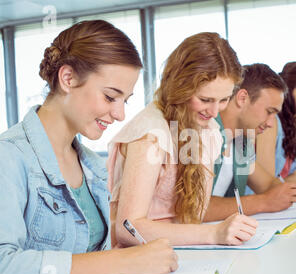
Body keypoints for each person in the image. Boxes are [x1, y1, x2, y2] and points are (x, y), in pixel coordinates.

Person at [0, 20, 178, 274]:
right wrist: (124, 262)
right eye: (110, 97)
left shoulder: (93, 166)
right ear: (68, 78)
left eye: (125, 101)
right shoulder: (6, 157)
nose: (119, 114)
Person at [108, 32, 258, 247]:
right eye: (205, 99)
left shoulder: (210, 131)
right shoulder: (151, 134)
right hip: (137, 260)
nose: (215, 111)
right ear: (181, 88)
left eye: (223, 100)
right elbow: (127, 228)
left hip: (183, 252)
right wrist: (213, 234)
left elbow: (193, 217)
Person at [204, 63, 296, 222]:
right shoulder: (203, 132)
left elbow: (268, 184)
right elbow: (194, 208)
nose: (271, 124)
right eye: (269, 112)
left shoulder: (240, 141)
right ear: (242, 99)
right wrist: (263, 202)